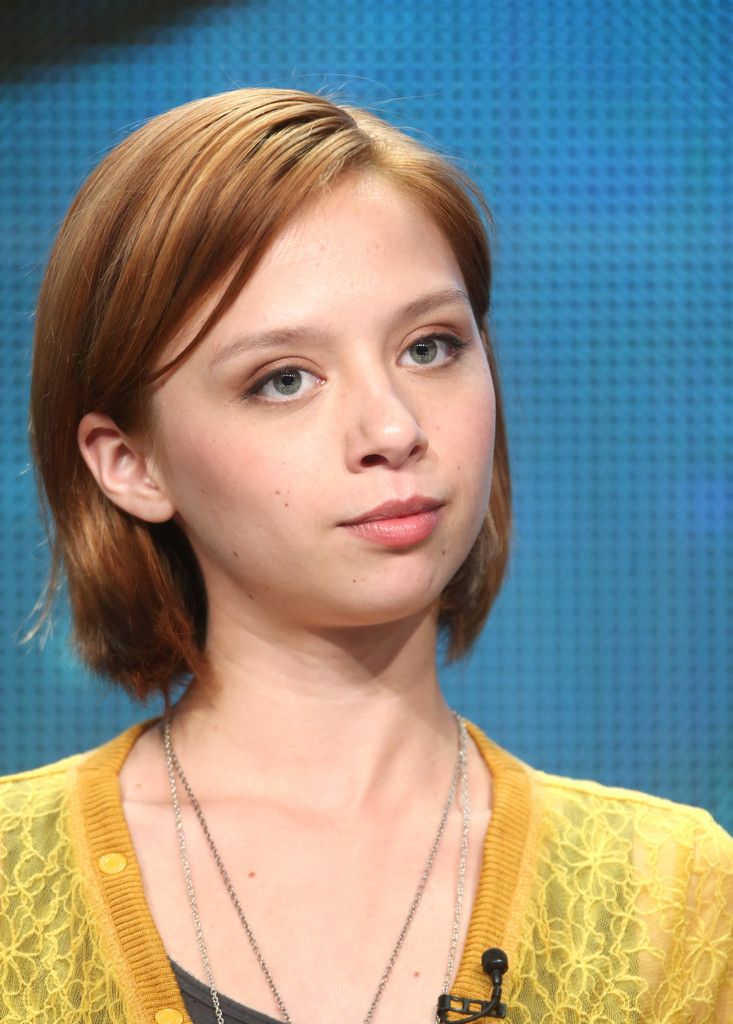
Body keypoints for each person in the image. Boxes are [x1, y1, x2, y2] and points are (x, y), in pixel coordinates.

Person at [0, 88, 730, 1024]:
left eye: (429, 348)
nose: (392, 429)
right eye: (283, 380)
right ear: (130, 464)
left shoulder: (669, 900)